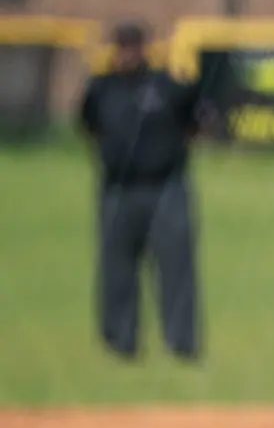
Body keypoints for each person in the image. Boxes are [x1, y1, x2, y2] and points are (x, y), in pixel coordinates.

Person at [78, 21, 204, 361]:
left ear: (142, 49)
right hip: (118, 187)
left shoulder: (165, 86)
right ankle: (120, 341)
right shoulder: (102, 88)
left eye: (132, 47)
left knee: (176, 266)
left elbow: (194, 120)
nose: (127, 54)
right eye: (122, 47)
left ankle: (181, 342)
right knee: (117, 267)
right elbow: (88, 125)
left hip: (165, 186)